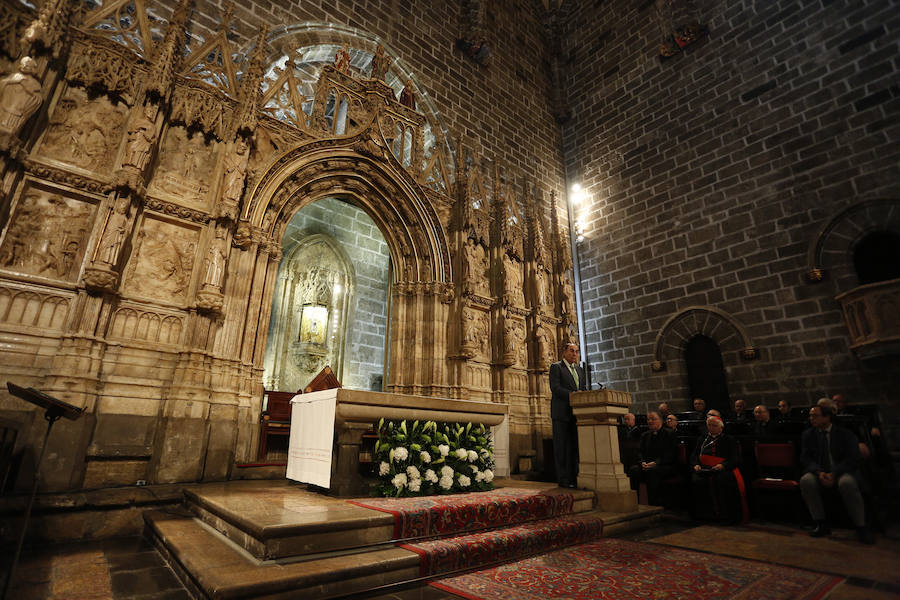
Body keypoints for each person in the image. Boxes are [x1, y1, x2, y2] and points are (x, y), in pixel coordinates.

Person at [799, 405, 873, 544]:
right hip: (820, 471)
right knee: (806, 480)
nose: (811, 419)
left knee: (847, 483)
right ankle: (820, 523)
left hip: (842, 470)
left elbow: (853, 458)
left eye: (815, 415)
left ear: (827, 417)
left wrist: (834, 473)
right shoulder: (808, 434)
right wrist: (819, 472)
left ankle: (861, 526)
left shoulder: (844, 433)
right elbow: (805, 458)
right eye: (810, 416)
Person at [690, 415, 747, 524]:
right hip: (704, 469)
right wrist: (696, 464)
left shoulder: (729, 439)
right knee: (697, 480)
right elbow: (694, 456)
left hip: (723, 469)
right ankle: (705, 516)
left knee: (721, 481)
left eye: (714, 425)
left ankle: (724, 516)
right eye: (709, 425)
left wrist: (723, 466)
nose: (711, 428)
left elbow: (735, 458)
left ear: (721, 427)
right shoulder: (702, 439)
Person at [549, 342, 585, 488]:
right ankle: (563, 479)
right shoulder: (556, 367)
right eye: (571, 351)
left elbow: (582, 388)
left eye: (576, 351)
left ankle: (575, 477)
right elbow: (555, 388)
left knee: (575, 447)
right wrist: (573, 395)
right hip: (562, 413)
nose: (574, 354)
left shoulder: (579, 370)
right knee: (562, 448)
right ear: (564, 352)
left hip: (577, 414)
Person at [628, 412, 677, 506]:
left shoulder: (669, 434)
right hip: (647, 465)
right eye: (648, 419)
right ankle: (636, 503)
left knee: (652, 472)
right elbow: (640, 452)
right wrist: (642, 462)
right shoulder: (645, 435)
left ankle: (653, 505)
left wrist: (655, 463)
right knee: (633, 470)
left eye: (653, 419)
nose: (650, 421)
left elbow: (670, 454)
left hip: (665, 466)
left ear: (661, 421)